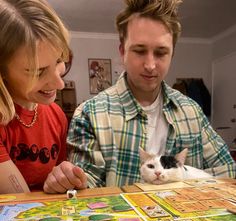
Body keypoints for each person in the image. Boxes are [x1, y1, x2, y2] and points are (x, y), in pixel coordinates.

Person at [67, 0, 236, 188]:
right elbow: (83, 189)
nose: (150, 65)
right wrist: (70, 180)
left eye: (161, 53)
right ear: (122, 52)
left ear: (172, 54)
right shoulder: (89, 114)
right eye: (139, 51)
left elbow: (227, 171)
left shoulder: (192, 111)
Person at [0, 0, 87, 194]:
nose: (59, 84)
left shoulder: (56, 115)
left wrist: (64, 179)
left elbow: (61, 189)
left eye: (59, 61)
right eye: (38, 72)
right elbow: (20, 203)